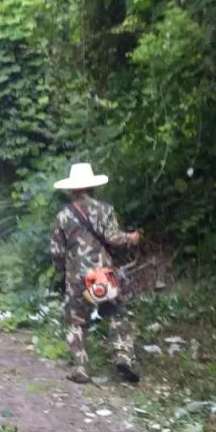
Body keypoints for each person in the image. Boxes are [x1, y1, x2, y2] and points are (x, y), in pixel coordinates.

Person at [50, 161, 141, 385]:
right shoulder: (104, 209)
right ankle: (122, 355)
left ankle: (81, 367)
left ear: (72, 189)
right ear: (92, 187)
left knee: (76, 321)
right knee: (116, 314)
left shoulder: (63, 216)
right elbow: (113, 238)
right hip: (100, 274)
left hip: (76, 277)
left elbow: (56, 251)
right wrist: (131, 238)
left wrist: (62, 271)